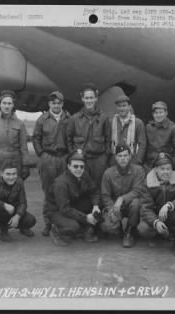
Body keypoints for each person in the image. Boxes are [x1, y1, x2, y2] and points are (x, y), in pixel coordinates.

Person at [139, 152, 175, 256]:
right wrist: (155, 222)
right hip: (156, 216)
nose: (166, 172)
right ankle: (158, 235)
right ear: (156, 170)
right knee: (143, 228)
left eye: (168, 169)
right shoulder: (148, 183)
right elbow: (145, 208)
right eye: (162, 169)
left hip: (172, 215)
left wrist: (169, 205)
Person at [44, 150, 102, 246]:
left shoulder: (84, 175)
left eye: (81, 167)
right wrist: (86, 218)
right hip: (56, 210)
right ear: (69, 166)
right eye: (75, 166)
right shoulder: (61, 184)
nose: (79, 169)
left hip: (73, 204)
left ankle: (85, 229)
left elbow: (94, 191)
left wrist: (96, 206)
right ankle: (55, 230)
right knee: (73, 226)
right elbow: (64, 209)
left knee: (99, 204)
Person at [33, 91, 71, 237]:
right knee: (49, 192)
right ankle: (48, 223)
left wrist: (70, 157)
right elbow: (36, 138)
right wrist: (42, 155)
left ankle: (62, 222)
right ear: (49, 104)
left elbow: (72, 138)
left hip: (64, 158)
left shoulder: (68, 119)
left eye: (59, 103)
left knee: (63, 191)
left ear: (62, 104)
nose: (56, 105)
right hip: (48, 158)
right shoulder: (42, 119)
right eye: (53, 103)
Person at [0, 160, 36, 251]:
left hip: (10, 213)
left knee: (30, 220)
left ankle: (4, 228)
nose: (11, 177)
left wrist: (17, 216)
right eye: (8, 174)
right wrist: (3, 205)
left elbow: (23, 203)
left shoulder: (19, 181)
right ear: (1, 173)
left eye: (14, 174)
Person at [100, 145, 145, 248]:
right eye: (120, 156)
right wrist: (111, 210)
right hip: (115, 206)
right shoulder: (108, 173)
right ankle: (119, 228)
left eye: (125, 155)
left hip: (130, 206)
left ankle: (130, 231)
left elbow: (138, 190)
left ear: (130, 156)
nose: (123, 158)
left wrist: (122, 199)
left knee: (136, 203)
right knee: (107, 226)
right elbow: (105, 195)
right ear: (115, 157)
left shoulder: (138, 170)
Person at [66, 83, 111, 185]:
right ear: (82, 99)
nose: (89, 100)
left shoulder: (104, 118)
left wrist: (104, 158)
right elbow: (68, 139)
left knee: (98, 187)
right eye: (86, 98)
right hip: (81, 159)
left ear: (96, 99)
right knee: (80, 186)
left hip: (99, 160)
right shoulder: (75, 118)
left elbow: (108, 139)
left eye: (91, 98)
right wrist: (73, 156)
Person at [0, 90, 31, 180]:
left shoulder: (20, 124)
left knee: (15, 190)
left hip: (15, 162)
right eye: (4, 103)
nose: (6, 106)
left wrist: (25, 165)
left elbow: (24, 147)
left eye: (9, 103)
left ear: (13, 105)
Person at [145, 101, 175, 171]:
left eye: (161, 112)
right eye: (156, 113)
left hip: (166, 165)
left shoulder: (173, 128)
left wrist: (171, 166)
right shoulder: (148, 127)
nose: (158, 115)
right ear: (153, 114)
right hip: (150, 165)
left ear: (166, 113)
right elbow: (145, 146)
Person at [110, 95, 147, 165]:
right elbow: (108, 142)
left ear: (129, 107)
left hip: (132, 160)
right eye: (119, 106)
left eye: (124, 106)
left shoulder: (138, 123)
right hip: (115, 160)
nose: (122, 108)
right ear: (117, 107)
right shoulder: (112, 122)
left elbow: (142, 144)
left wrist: (138, 160)